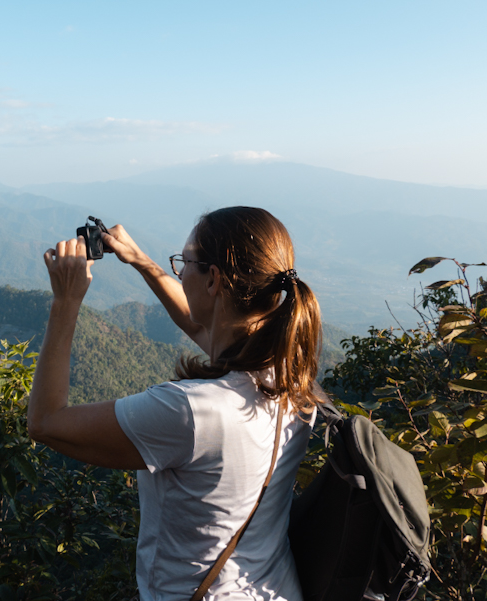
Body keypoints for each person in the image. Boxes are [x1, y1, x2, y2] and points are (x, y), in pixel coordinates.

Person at [28, 207, 323, 601]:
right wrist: (142, 262)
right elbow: (201, 325)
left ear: (215, 279)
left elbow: (46, 422)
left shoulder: (190, 412)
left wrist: (65, 300)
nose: (181, 273)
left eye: (185, 263)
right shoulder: (292, 375)